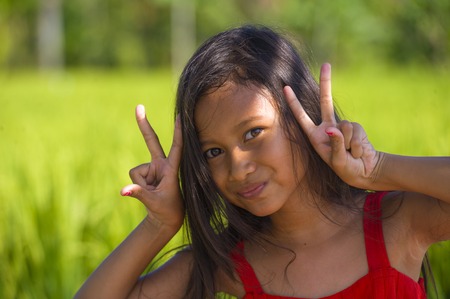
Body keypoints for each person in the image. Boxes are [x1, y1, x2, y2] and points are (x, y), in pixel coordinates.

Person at [74, 25, 450, 299]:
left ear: (300, 113)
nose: (237, 169)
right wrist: (159, 224)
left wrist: (378, 168)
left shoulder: (397, 222)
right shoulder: (230, 263)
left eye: (253, 133)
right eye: (214, 152)